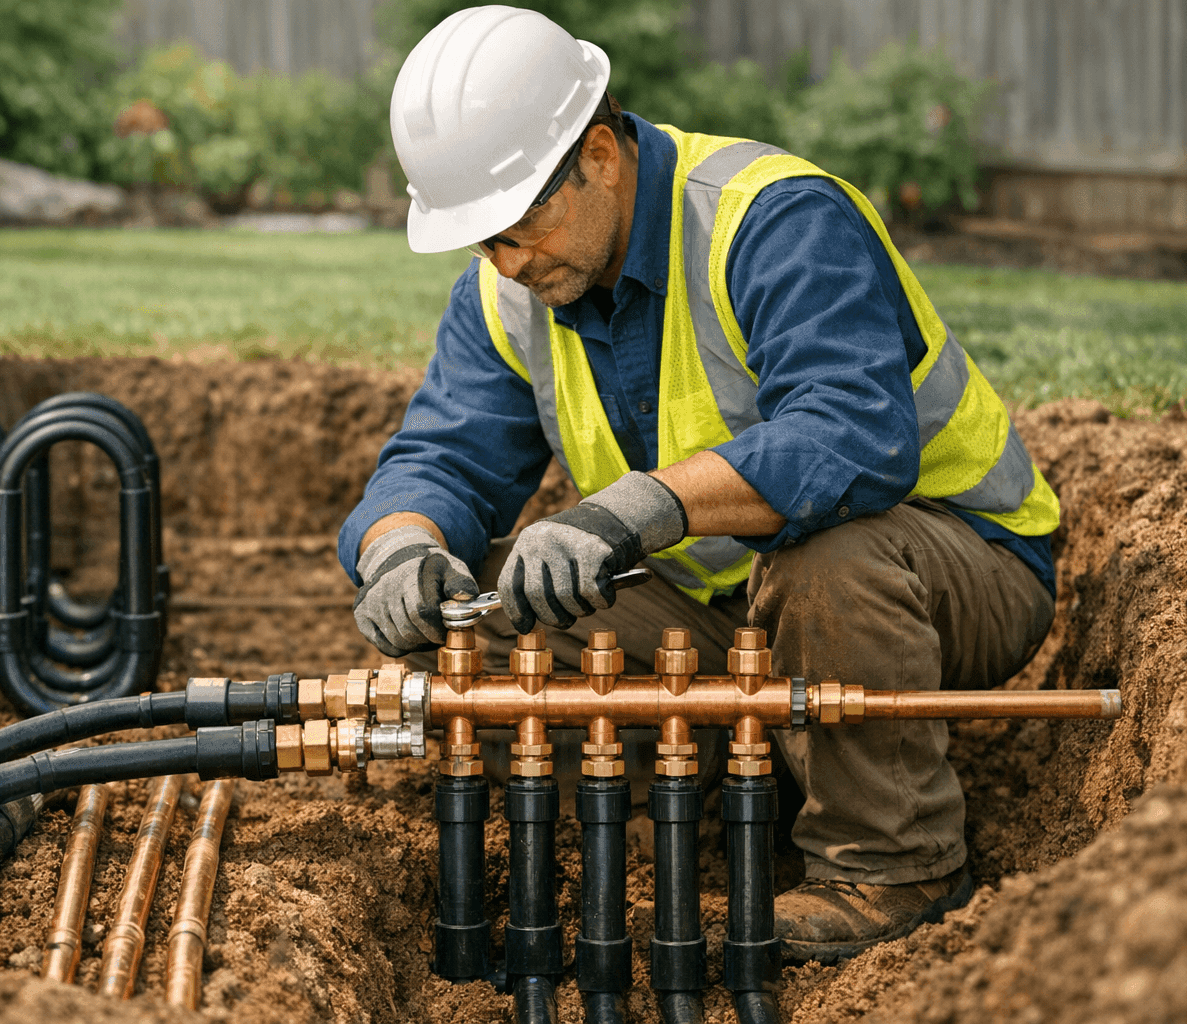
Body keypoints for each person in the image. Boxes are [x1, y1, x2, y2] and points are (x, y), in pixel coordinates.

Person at [338, 5, 1058, 964]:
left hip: (955, 569)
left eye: (522, 226)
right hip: (726, 597)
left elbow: (850, 436)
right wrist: (401, 550)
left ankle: (894, 865)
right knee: (486, 612)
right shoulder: (512, 290)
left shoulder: (771, 217)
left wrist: (631, 510)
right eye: (483, 242)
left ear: (600, 155)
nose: (508, 262)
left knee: (828, 560)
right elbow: (445, 455)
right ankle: (711, 792)